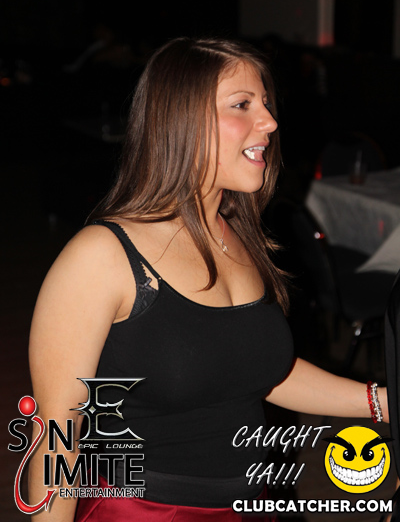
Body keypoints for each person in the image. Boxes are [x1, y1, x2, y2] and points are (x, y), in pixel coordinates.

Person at [28, 37, 388, 521]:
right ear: (181, 121)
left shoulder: (238, 234)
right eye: (242, 105)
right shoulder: (102, 257)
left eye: (266, 103)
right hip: (147, 511)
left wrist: (380, 403)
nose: (270, 122)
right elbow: (57, 436)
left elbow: (253, 370)